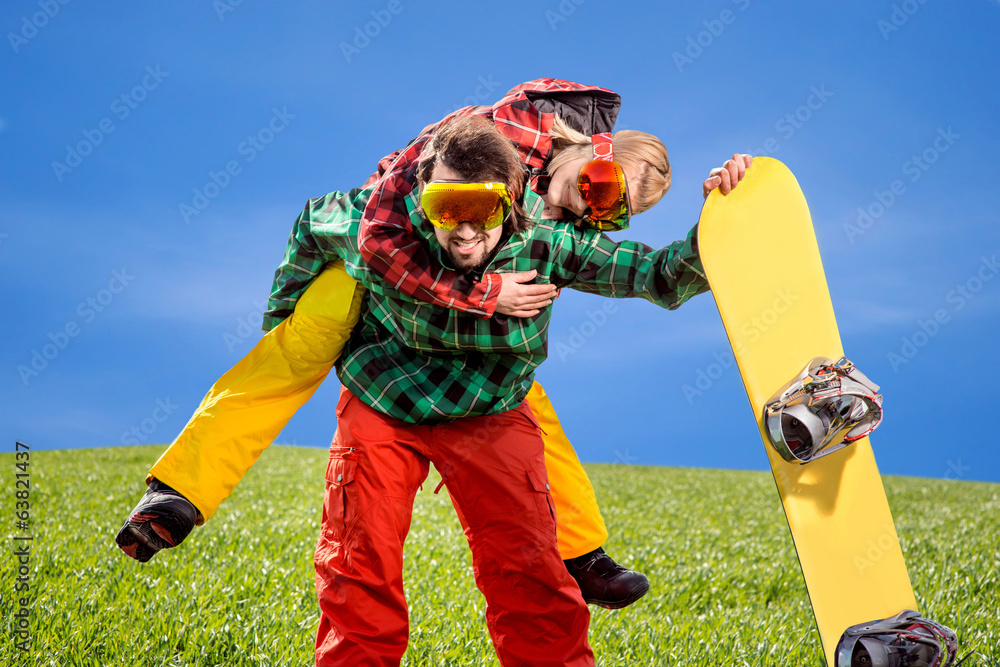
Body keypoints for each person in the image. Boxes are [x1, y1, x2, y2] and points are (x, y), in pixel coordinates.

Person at [117, 79, 751, 611]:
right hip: (366, 263)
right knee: (303, 345)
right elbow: (376, 239)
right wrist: (484, 295)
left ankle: (579, 553)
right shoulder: (502, 135)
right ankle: (178, 491)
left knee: (521, 399)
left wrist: (724, 217)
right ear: (593, 146)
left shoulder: (553, 227)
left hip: (453, 333)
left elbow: (652, 273)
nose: (594, 207)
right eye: (604, 183)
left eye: (614, 211)